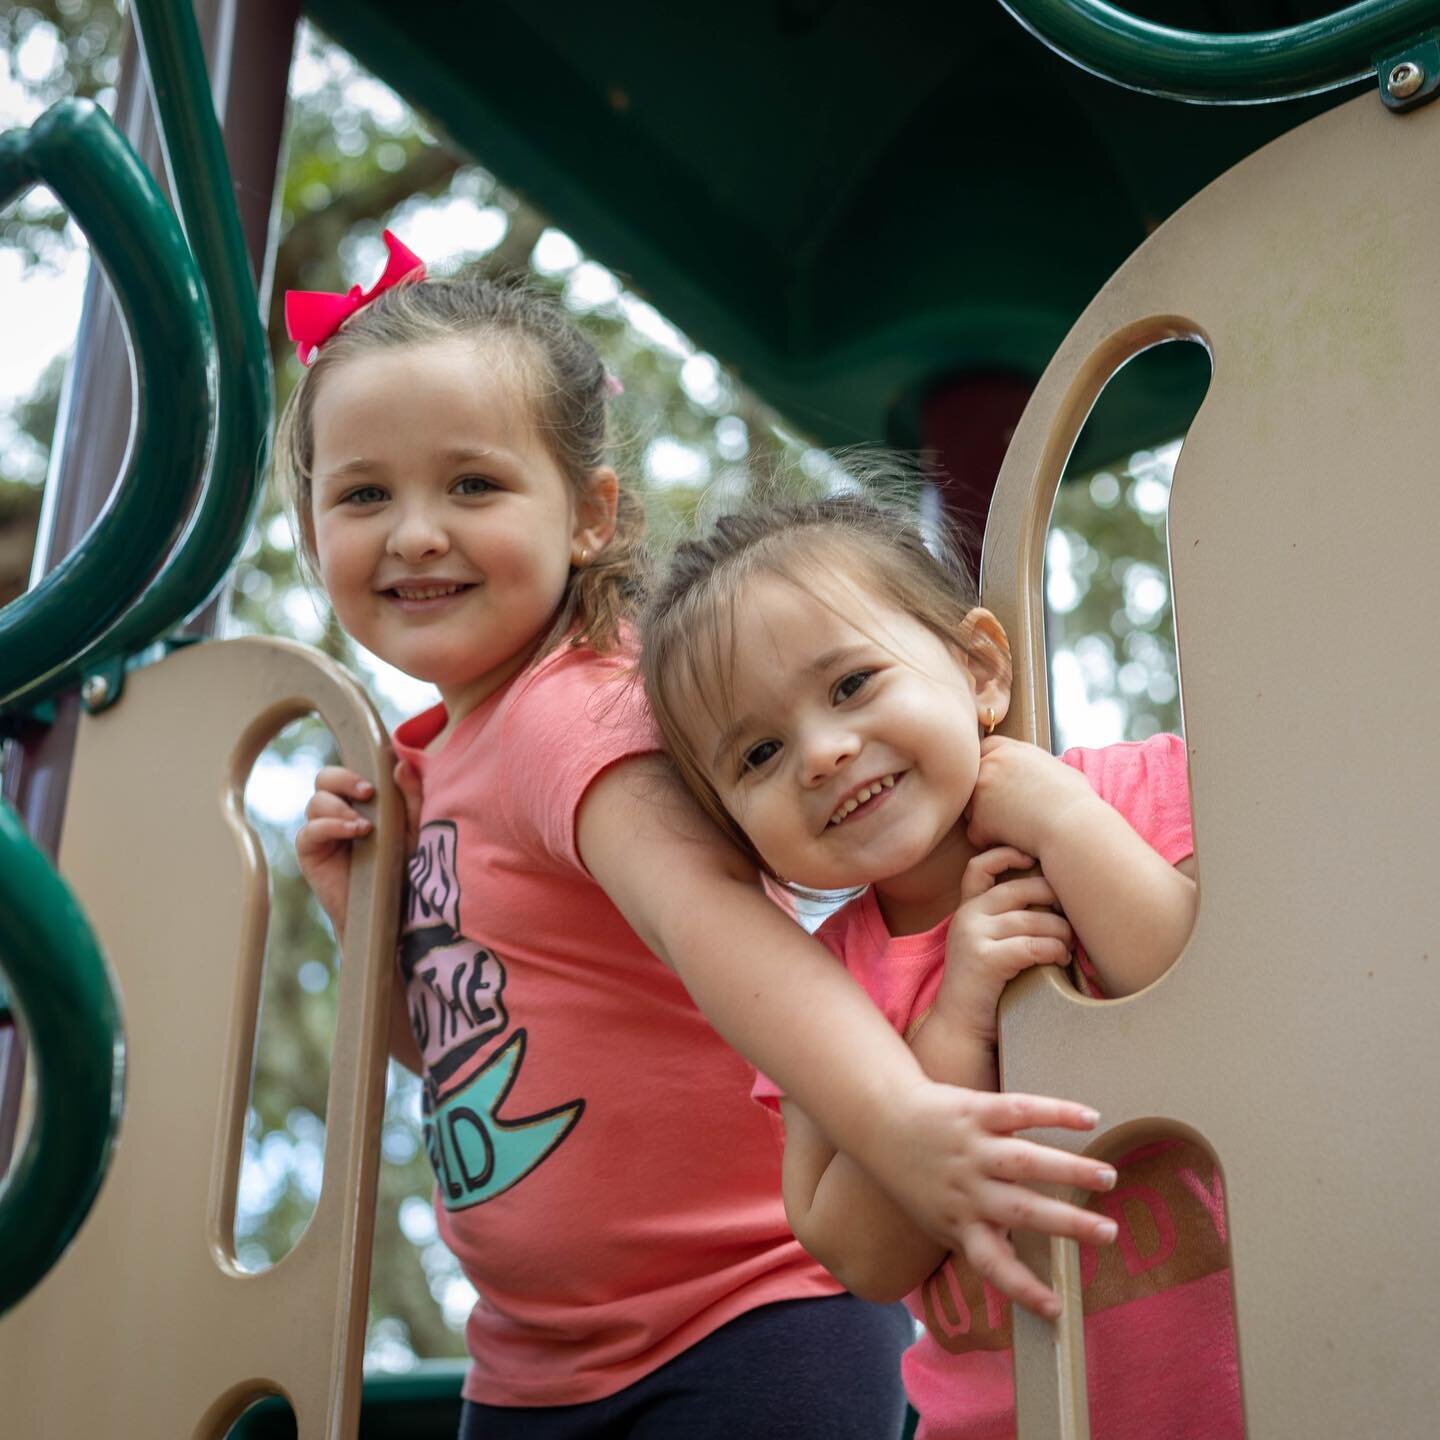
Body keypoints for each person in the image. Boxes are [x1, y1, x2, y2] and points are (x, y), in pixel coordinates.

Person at [278, 234, 1116, 1437]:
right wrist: (366, 912)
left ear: (588, 515)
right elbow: (468, 1062)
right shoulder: (423, 764)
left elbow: (713, 924)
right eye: (365, 495)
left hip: (748, 1319)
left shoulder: (567, 711)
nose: (415, 533)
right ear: (312, 538)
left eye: (472, 486)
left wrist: (899, 1122)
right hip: (533, 1365)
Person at [638, 497, 1244, 1439]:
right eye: (759, 752)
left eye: (850, 686)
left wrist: (1062, 821)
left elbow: (1224, 1016)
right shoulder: (815, 989)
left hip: (1256, 1385)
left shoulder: (1126, 796)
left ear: (979, 669)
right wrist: (956, 1022)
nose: (823, 752)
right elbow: (859, 1253)